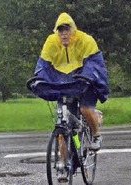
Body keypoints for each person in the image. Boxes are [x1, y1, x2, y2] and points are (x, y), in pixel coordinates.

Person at [34, 13, 109, 150]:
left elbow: (94, 63)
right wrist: (39, 80)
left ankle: (96, 134)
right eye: (60, 30)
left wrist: (87, 77)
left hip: (84, 81)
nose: (64, 34)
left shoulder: (86, 40)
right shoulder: (51, 42)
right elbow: (43, 66)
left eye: (67, 30)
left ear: (73, 29)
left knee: (85, 109)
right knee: (66, 124)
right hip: (65, 84)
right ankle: (66, 163)